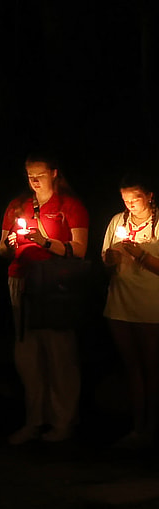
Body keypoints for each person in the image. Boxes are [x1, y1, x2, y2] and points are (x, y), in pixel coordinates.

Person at [0, 155, 89, 444]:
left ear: (54, 173)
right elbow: (1, 248)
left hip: (53, 285)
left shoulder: (70, 206)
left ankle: (63, 421)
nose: (34, 181)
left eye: (39, 174)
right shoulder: (16, 206)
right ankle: (34, 420)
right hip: (20, 280)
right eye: (29, 175)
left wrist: (45, 242)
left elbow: (80, 249)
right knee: (27, 354)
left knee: (59, 352)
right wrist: (9, 245)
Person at [101, 176, 159, 449]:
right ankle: (138, 427)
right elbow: (105, 257)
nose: (130, 205)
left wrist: (141, 255)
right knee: (132, 368)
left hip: (150, 305)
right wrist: (110, 259)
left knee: (152, 367)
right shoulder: (118, 221)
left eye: (135, 199)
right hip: (120, 302)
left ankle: (152, 428)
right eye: (125, 200)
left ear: (149, 196)